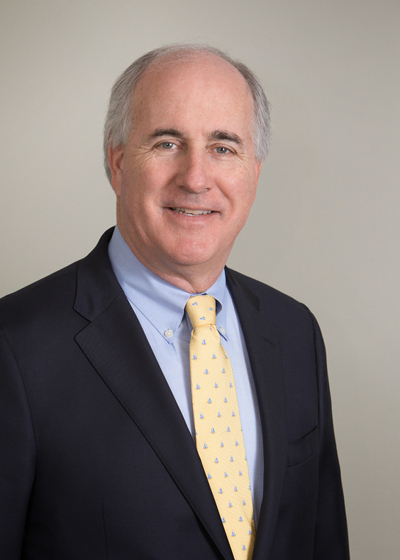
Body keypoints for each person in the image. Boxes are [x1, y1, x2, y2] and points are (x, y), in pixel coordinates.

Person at [0, 44, 349, 560]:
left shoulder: (295, 331)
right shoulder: (16, 348)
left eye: (223, 147)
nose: (195, 178)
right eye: (167, 143)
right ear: (118, 163)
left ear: (254, 171)